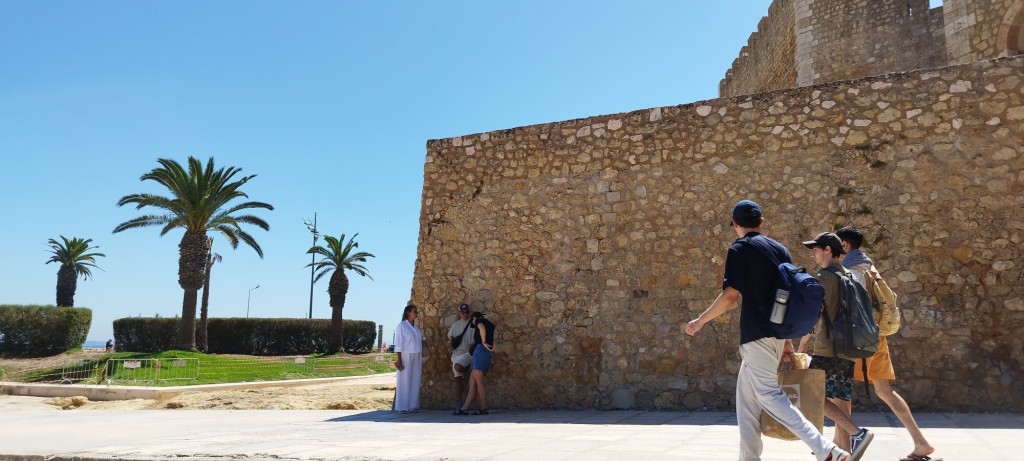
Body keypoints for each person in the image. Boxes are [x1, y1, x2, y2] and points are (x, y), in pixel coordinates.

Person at [685, 200, 851, 461]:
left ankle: (825, 449)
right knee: (747, 403)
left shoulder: (739, 249)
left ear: (734, 224)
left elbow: (730, 296)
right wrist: (785, 341)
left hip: (756, 334)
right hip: (776, 333)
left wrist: (701, 320)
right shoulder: (779, 249)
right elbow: (786, 293)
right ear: (761, 223)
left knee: (770, 395)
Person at [835, 227, 941, 461]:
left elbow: (853, 308)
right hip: (876, 336)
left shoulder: (853, 270)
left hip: (859, 340)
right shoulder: (870, 266)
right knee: (884, 390)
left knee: (840, 392)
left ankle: (843, 448)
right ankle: (920, 443)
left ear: (844, 245)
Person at [797, 232, 874, 460]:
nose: (814, 253)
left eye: (816, 248)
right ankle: (847, 451)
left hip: (828, 347)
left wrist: (802, 343)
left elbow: (815, 314)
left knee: (811, 395)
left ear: (828, 250)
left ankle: (857, 433)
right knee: (841, 398)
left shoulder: (824, 277)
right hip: (848, 346)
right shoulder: (847, 274)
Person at [453, 311, 494, 416]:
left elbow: (481, 327)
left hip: (480, 351)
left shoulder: (478, 321)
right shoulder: (490, 324)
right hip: (483, 353)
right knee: (472, 382)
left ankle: (484, 407)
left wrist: (483, 342)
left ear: (474, 318)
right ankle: (465, 408)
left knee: (479, 381)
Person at [393, 304, 423, 414]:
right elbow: (399, 344)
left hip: (417, 354)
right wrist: (399, 359)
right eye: (415, 311)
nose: (416, 313)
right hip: (406, 355)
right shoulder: (401, 326)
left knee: (416, 379)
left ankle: (413, 405)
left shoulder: (416, 327)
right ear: (408, 313)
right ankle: (402, 406)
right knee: (404, 380)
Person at [447, 303, 475, 407]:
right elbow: (450, 337)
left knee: (457, 367)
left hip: (467, 354)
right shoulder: (456, 325)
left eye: (467, 312)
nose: (465, 314)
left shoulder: (473, 324)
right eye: (463, 312)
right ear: (459, 312)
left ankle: (468, 370)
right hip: (456, 354)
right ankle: (458, 402)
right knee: (458, 379)